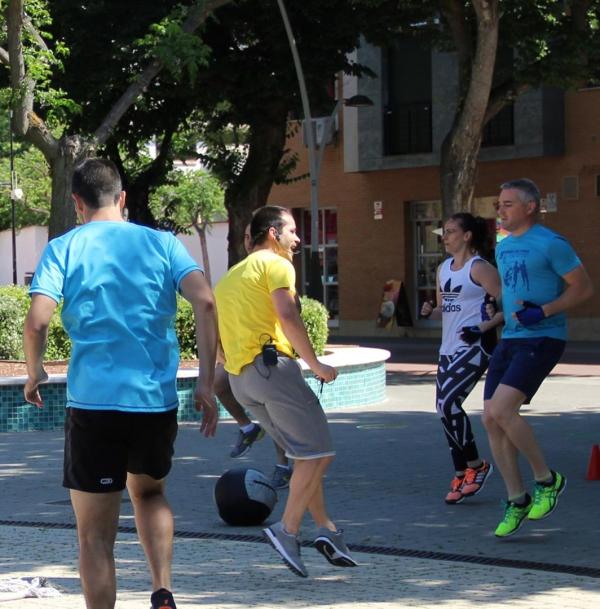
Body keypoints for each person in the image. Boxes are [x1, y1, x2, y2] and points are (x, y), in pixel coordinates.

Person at [23, 158, 219, 609]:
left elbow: (36, 323)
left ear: (77, 203)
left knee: (94, 534)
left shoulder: (63, 248)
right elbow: (206, 303)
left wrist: (34, 372)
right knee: (150, 492)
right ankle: (163, 590)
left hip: (93, 404)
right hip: (154, 400)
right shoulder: (164, 243)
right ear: (123, 198)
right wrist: (206, 382)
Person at [214, 205, 356, 578]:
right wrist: (317, 364)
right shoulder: (276, 264)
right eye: (292, 230)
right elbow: (288, 315)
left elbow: (219, 340)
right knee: (319, 453)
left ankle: (327, 531)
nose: (298, 238)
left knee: (306, 457)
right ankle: (287, 530)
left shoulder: (230, 276)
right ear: (273, 233)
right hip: (272, 369)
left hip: (241, 380)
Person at [483, 178, 593, 538]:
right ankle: (517, 500)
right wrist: (496, 314)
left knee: (502, 410)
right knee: (490, 419)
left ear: (530, 207)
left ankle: (548, 480)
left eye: (508, 204)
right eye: (499, 204)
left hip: (543, 336)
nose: (501, 209)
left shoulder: (552, 243)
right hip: (511, 338)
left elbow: (584, 288)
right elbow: (509, 288)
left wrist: (544, 311)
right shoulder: (502, 244)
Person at [421, 213, 501, 505]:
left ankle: (478, 467)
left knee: (448, 404)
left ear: (467, 236)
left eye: (452, 231)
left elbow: (507, 305)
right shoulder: (443, 269)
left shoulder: (479, 268)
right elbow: (445, 307)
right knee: (443, 410)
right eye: (445, 231)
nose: (446, 237)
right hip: (448, 348)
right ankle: (460, 471)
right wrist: (432, 310)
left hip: (476, 346)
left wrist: (484, 326)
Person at [215, 223, 293, 488]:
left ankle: (285, 464)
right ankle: (249, 428)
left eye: (251, 236)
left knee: (276, 414)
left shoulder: (276, 269)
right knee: (218, 383)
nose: (247, 241)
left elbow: (290, 314)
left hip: (267, 357)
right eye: (245, 236)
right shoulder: (237, 275)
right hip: (240, 358)